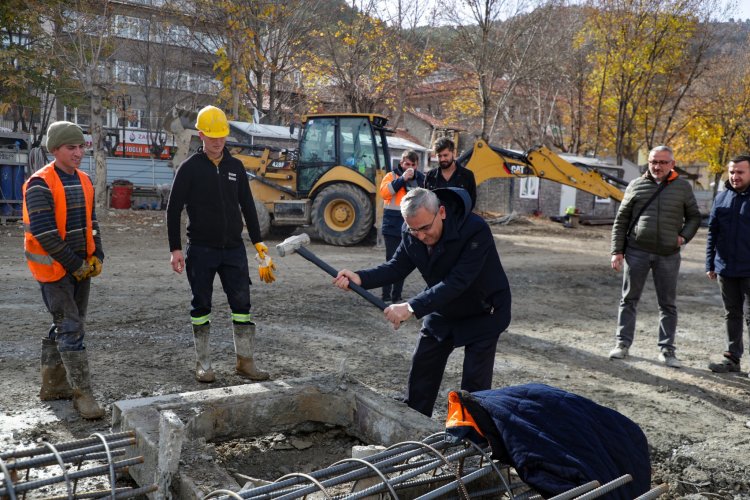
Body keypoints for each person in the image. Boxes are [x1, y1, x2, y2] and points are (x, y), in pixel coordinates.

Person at [333, 187, 511, 417]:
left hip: (485, 309)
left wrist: (410, 307)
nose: (421, 236)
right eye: (413, 229)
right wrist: (361, 277)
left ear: (442, 213)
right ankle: (414, 423)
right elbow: (397, 266)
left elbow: (457, 282)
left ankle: (471, 437)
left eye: (426, 228)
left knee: (474, 383)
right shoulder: (413, 232)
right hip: (444, 308)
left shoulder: (475, 230)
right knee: (423, 367)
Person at [167, 105, 275, 383]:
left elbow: (248, 206)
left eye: (222, 136)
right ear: (201, 135)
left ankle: (245, 362)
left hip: (233, 249)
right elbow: (173, 209)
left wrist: (259, 244)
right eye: (212, 137)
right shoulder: (189, 168)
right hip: (201, 249)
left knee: (242, 304)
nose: (218, 142)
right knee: (201, 305)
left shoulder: (235, 167)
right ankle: (203, 364)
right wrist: (175, 249)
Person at [22, 121, 105, 419]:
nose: (79, 152)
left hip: (79, 267)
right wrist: (77, 265)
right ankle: (82, 395)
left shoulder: (84, 180)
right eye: (72, 147)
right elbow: (45, 233)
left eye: (82, 146)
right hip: (54, 270)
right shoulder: (39, 184)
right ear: (55, 149)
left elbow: (92, 225)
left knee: (70, 322)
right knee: (70, 326)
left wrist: (99, 254)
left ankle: (54, 385)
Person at [609, 145, 701, 368]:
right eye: (653, 162)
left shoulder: (682, 187)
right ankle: (622, 344)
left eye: (662, 162)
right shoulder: (636, 185)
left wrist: (682, 238)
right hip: (637, 251)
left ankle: (667, 350)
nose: (657, 166)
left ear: (672, 164)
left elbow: (694, 217)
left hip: (668, 254)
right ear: (648, 163)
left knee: (667, 304)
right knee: (629, 299)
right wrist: (616, 251)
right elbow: (621, 221)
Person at [705, 155, 750, 374]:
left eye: (740, 172)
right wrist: (710, 263)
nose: (734, 176)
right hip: (725, 268)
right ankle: (732, 359)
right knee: (731, 314)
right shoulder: (721, 198)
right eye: (732, 172)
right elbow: (712, 232)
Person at [379, 150, 425, 303]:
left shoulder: (421, 179)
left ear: (417, 165)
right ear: (401, 163)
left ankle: (396, 297)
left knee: (403, 263)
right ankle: (385, 297)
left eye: (413, 165)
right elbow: (385, 193)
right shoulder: (391, 176)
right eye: (407, 164)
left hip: (411, 228)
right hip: (392, 227)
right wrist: (402, 179)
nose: (410, 167)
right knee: (390, 262)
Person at [424, 138, 477, 210]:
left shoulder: (467, 176)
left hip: (460, 220)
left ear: (453, 153)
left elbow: (471, 202)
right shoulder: (430, 176)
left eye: (445, 155)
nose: (442, 159)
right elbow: (426, 201)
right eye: (439, 156)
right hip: (436, 219)